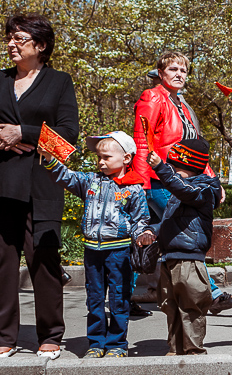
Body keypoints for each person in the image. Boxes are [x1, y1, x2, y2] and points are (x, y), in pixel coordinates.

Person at [0, 13, 79, 359]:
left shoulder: (59, 82)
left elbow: (68, 141)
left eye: (19, 38)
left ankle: (51, 334)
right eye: (9, 37)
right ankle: (4, 337)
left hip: (41, 186)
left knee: (44, 260)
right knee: (0, 264)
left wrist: (23, 133)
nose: (11, 43)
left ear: (40, 46)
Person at [133, 52, 232, 315]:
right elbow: (142, 139)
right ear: (161, 73)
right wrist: (138, 182)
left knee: (143, 233)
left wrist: (213, 180)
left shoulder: (182, 105)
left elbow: (194, 149)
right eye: (173, 69)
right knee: (186, 232)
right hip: (161, 180)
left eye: (183, 70)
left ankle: (124, 295)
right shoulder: (153, 97)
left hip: (183, 177)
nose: (179, 74)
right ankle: (213, 293)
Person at [41, 132, 152, 357]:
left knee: (119, 299)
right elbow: (67, 176)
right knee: (94, 299)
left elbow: (141, 219)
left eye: (107, 157)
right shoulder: (90, 182)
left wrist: (144, 234)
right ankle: (96, 343)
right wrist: (50, 160)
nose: (101, 161)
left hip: (119, 252)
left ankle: (117, 344)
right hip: (92, 251)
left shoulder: (135, 188)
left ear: (126, 159)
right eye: (99, 157)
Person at [145, 138, 222, 355]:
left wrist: (161, 169)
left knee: (191, 304)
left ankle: (193, 351)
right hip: (170, 256)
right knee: (170, 305)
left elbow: (184, 190)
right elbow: (170, 219)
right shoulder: (179, 192)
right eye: (171, 168)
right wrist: (153, 230)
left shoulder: (204, 189)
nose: (174, 173)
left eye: (177, 168)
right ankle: (175, 348)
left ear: (193, 167)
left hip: (189, 257)